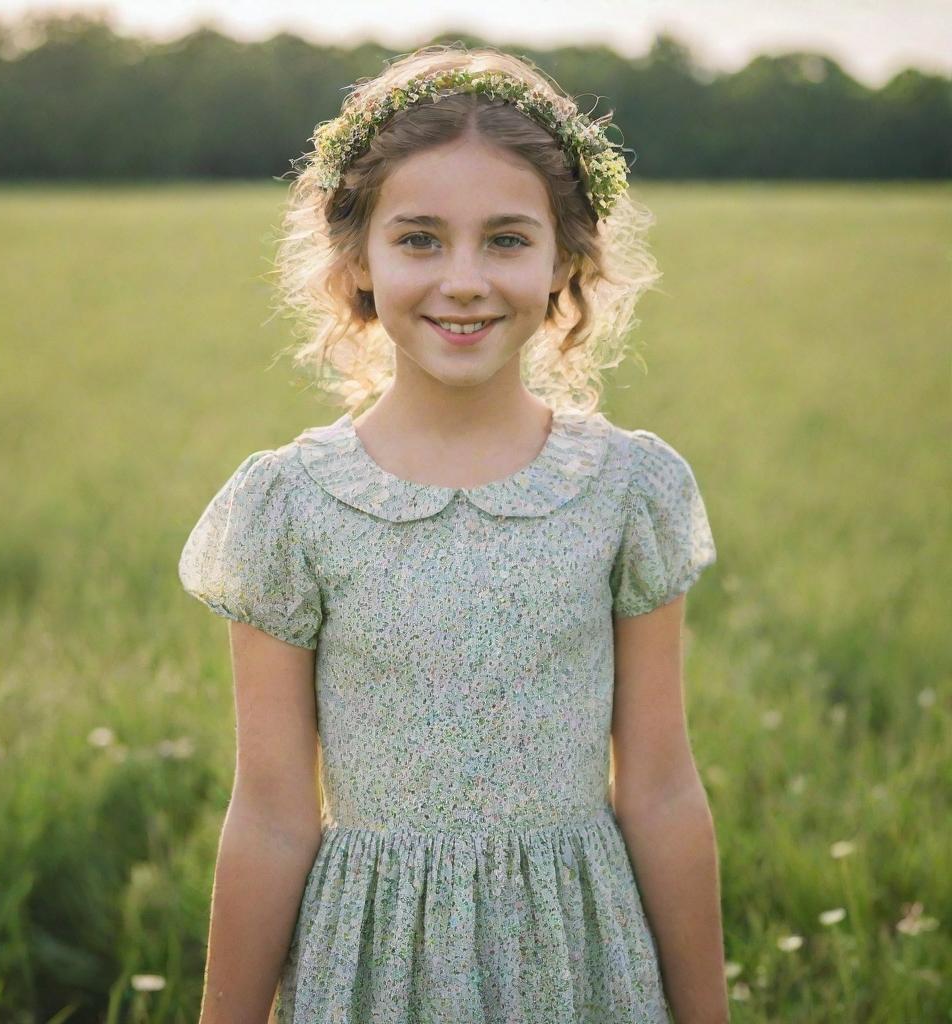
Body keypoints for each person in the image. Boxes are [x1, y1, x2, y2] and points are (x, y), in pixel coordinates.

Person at [178, 42, 728, 1024]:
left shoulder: (626, 489)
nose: (463, 279)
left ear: (566, 259)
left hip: (575, 960)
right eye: (421, 239)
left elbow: (659, 787)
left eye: (506, 240)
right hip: (372, 967)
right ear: (357, 262)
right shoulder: (292, 505)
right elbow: (268, 814)